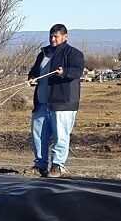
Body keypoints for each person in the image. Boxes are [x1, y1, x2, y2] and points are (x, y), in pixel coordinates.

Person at [28, 23, 85, 178]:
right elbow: (34, 71)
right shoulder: (43, 54)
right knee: (38, 135)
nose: (52, 39)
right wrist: (32, 78)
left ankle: (57, 166)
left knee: (61, 135)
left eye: (56, 36)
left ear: (65, 37)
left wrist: (64, 72)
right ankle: (40, 165)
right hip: (41, 103)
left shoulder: (73, 53)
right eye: (51, 36)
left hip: (62, 103)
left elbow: (77, 71)